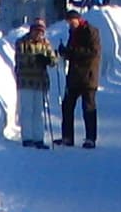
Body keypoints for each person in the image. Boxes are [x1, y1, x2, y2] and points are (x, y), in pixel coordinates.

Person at [59, 11, 103, 149]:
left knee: (88, 108)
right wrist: (64, 52)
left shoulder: (91, 31)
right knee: (67, 106)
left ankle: (90, 138)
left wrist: (72, 52)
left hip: (88, 76)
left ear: (78, 19)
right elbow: (72, 52)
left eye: (72, 22)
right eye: (69, 22)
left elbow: (93, 52)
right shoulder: (73, 33)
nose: (70, 25)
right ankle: (67, 137)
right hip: (74, 76)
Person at [13, 18, 56, 148]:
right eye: (36, 31)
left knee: (39, 111)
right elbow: (21, 59)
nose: (38, 34)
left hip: (40, 82)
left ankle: (38, 138)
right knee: (27, 110)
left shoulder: (45, 43)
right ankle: (27, 138)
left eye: (41, 31)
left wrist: (49, 60)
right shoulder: (22, 42)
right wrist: (36, 59)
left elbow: (53, 59)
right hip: (26, 82)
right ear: (31, 30)